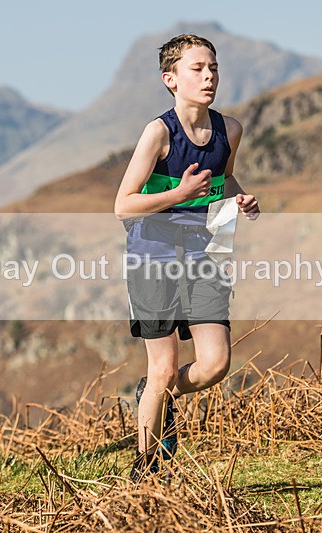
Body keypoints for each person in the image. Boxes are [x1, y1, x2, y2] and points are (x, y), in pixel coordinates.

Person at [113, 34, 259, 481]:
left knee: (215, 363)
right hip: (153, 257)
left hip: (205, 255)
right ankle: (146, 469)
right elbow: (123, 204)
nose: (209, 76)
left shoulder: (229, 130)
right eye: (198, 69)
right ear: (171, 79)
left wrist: (242, 199)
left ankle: (155, 396)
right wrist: (179, 193)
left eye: (213, 67)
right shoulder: (158, 133)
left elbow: (224, 180)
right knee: (163, 366)